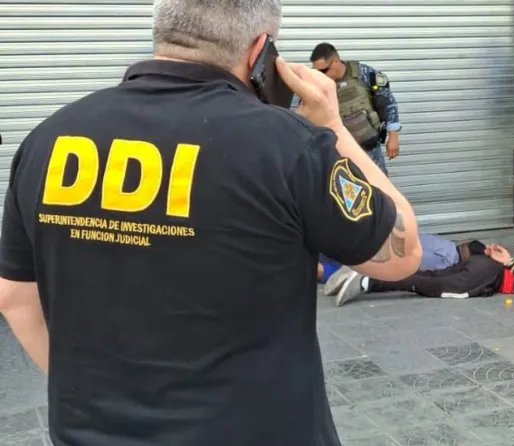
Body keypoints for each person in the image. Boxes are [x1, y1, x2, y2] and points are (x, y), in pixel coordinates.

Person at [0, 1, 424, 445]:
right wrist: (334, 126)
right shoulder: (289, 146)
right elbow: (403, 253)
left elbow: (14, 297)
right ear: (261, 51)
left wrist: (99, 395)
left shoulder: (46, 141)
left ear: (165, 32)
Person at [330, 245, 514, 307]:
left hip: (485, 264)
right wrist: (509, 261)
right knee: (429, 284)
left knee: (428, 274)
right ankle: (367, 282)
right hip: (491, 277)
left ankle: (365, 271)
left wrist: (506, 259)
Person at [310, 43, 401, 175]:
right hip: (340, 153)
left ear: (335, 61)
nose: (320, 75)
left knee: (378, 185)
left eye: (323, 70)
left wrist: (393, 136)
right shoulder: (316, 84)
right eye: (316, 71)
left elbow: (388, 102)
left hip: (370, 149)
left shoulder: (363, 73)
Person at [318, 237, 486, 285]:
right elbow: (413, 264)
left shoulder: (445, 243)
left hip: (381, 241)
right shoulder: (446, 262)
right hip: (382, 256)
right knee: (341, 271)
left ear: (465, 244)